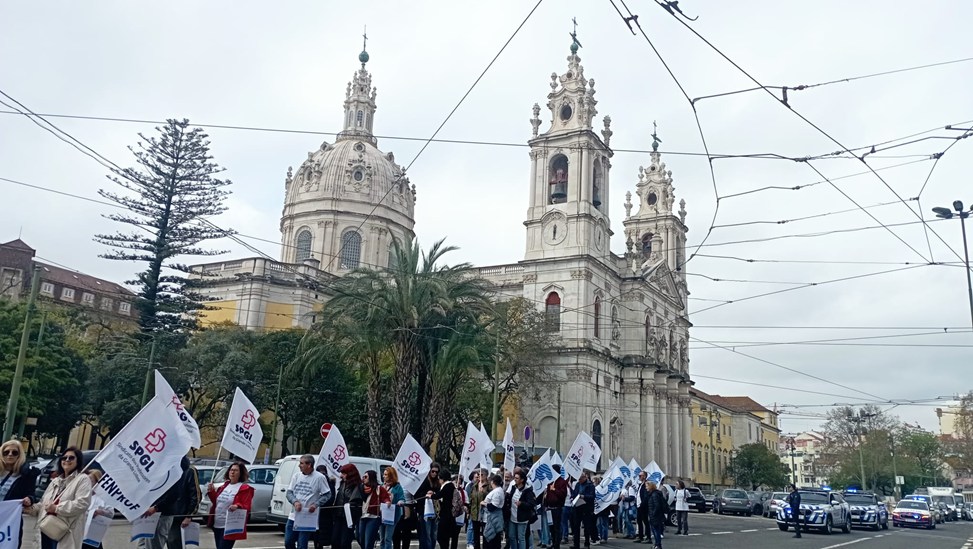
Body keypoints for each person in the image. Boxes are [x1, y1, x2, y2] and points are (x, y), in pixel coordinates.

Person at [28, 447, 91, 549]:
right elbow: (43, 503)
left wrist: (57, 508)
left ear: (78, 461)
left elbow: (82, 503)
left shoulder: (82, 479)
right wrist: (31, 509)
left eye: (71, 458)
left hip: (65, 532)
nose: (67, 460)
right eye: (64, 458)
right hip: (46, 528)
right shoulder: (55, 481)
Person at [138, 456, 199, 549]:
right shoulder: (160, 467)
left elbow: (194, 495)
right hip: (152, 513)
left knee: (173, 543)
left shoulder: (187, 470)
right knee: (144, 544)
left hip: (176, 515)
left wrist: (189, 515)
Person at [285, 455, 332, 549]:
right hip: (294, 515)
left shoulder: (319, 477)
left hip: (308, 516)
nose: (299, 465)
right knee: (288, 541)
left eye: (301, 463)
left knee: (302, 544)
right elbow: (289, 493)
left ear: (309, 465)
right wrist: (295, 502)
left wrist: (316, 504)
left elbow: (327, 494)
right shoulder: (296, 476)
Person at [0, 439, 39, 549]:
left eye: (14, 452)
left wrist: (29, 499)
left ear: (19, 455)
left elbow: (31, 494)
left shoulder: (26, 475)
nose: (10, 454)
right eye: (6, 452)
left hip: (9, 520)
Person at [207, 462, 254, 549]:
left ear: (240, 473)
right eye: (231, 470)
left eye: (236, 470)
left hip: (229, 526)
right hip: (217, 524)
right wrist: (211, 491)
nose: (232, 472)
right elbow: (217, 502)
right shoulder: (224, 486)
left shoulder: (245, 488)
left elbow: (246, 505)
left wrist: (237, 505)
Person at [333, 463, 365, 549]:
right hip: (339, 515)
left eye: (344, 473)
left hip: (349, 517)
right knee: (335, 540)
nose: (341, 476)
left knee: (345, 542)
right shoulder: (343, 484)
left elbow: (356, 501)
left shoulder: (358, 486)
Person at [82, 470, 113, 549]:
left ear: (97, 482)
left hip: (94, 534)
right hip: (80, 532)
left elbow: (111, 513)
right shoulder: (81, 495)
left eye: (91, 481)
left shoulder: (103, 497)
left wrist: (101, 512)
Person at [360, 469, 389, 549]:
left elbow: (385, 497)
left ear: (371, 478)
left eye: (366, 477)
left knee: (369, 541)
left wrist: (387, 502)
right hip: (362, 516)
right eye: (363, 476)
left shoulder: (379, 488)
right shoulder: (360, 488)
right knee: (360, 538)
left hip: (373, 517)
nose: (363, 478)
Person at [416, 463, 443, 549]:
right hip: (424, 511)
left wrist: (434, 494)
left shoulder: (438, 483)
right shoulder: (424, 481)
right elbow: (417, 495)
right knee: (426, 534)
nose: (434, 473)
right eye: (433, 471)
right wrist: (426, 494)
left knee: (434, 534)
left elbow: (440, 495)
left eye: (436, 472)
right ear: (429, 471)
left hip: (435, 511)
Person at [508, 471, 535, 549]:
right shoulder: (513, 487)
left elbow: (531, 504)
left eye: (517, 478)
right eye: (514, 478)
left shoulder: (527, 491)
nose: (515, 479)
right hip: (512, 517)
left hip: (522, 518)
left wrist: (521, 504)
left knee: (521, 537)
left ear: (522, 480)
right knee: (511, 536)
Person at [380, 467, 405, 549]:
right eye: (384, 474)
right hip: (382, 514)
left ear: (391, 476)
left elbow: (402, 498)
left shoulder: (397, 487)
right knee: (382, 539)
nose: (383, 476)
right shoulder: (382, 486)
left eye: (386, 474)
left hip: (393, 515)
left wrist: (400, 502)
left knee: (387, 538)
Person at [544, 465, 568, 549]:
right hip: (549, 508)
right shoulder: (550, 481)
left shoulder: (562, 482)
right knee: (551, 527)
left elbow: (563, 494)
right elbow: (547, 494)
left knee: (556, 527)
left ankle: (557, 545)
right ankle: (553, 542)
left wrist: (554, 490)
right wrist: (546, 504)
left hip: (557, 508)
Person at [313, 467, 337, 549]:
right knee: (317, 535)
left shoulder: (329, 483)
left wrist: (319, 503)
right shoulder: (316, 481)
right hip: (317, 512)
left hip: (325, 512)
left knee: (322, 535)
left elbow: (331, 498)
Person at [570, 473, 595, 549]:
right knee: (576, 526)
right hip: (577, 508)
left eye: (580, 479)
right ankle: (576, 544)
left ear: (584, 478)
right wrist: (572, 497)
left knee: (587, 527)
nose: (579, 480)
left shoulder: (590, 485)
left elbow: (592, 496)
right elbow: (574, 493)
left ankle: (587, 543)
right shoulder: (578, 484)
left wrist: (584, 496)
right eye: (578, 479)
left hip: (586, 508)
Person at [481, 475, 506, 549]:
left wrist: (484, 503)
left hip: (493, 519)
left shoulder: (497, 492)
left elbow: (493, 506)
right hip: (490, 518)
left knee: (492, 541)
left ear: (492, 482)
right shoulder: (497, 490)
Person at [468, 469, 490, 549]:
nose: (479, 476)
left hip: (484, 514)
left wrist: (483, 492)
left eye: (482, 475)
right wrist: (469, 510)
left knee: (485, 534)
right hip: (475, 513)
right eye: (478, 474)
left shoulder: (489, 485)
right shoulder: (474, 485)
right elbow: (471, 498)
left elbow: (490, 497)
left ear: (486, 476)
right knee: (475, 534)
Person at [645, 483, 666, 549]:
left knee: (656, 531)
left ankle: (658, 545)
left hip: (655, 516)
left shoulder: (654, 495)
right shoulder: (652, 494)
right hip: (654, 515)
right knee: (655, 530)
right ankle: (657, 544)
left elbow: (657, 506)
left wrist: (653, 513)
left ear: (650, 487)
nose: (646, 488)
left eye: (647, 486)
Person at [634, 473, 648, 544]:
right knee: (639, 521)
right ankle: (640, 536)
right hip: (638, 505)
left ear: (644, 476)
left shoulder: (646, 484)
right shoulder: (640, 484)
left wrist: (642, 504)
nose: (639, 477)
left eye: (640, 476)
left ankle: (648, 537)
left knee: (645, 521)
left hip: (643, 506)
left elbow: (645, 496)